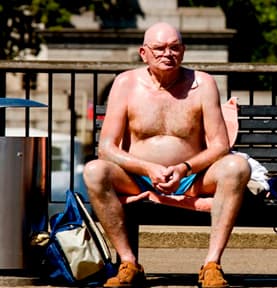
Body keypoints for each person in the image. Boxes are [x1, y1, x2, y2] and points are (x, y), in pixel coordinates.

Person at [82, 22, 250, 288]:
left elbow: (220, 146)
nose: (167, 54)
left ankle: (211, 265)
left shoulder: (203, 83)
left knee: (237, 167)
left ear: (183, 51)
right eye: (159, 48)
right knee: (93, 170)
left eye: (174, 47)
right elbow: (107, 148)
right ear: (143, 53)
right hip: (137, 178)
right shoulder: (125, 83)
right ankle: (128, 262)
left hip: (192, 178)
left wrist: (184, 168)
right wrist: (147, 168)